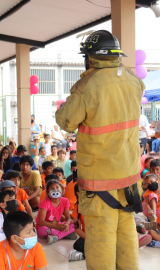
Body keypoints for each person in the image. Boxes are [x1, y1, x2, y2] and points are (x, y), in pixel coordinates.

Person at [55, 30, 145, 269]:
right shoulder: (134, 80)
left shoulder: (87, 85)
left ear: (90, 57)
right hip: (130, 176)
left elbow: (66, 121)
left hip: (100, 179)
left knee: (101, 238)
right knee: (126, 232)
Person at [35, 179, 75, 245]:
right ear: (47, 193)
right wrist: (57, 227)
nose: (55, 190)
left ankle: (56, 237)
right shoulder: (45, 203)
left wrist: (67, 224)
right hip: (45, 226)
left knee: (75, 223)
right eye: (52, 188)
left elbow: (68, 218)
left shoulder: (65, 201)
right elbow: (41, 222)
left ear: (61, 190)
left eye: (57, 187)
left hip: (56, 225)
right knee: (42, 231)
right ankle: (65, 234)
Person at [69, 183, 85, 262]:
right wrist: (89, 238)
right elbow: (77, 228)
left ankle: (84, 255)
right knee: (78, 245)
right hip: (87, 237)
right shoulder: (77, 207)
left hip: (101, 235)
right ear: (78, 193)